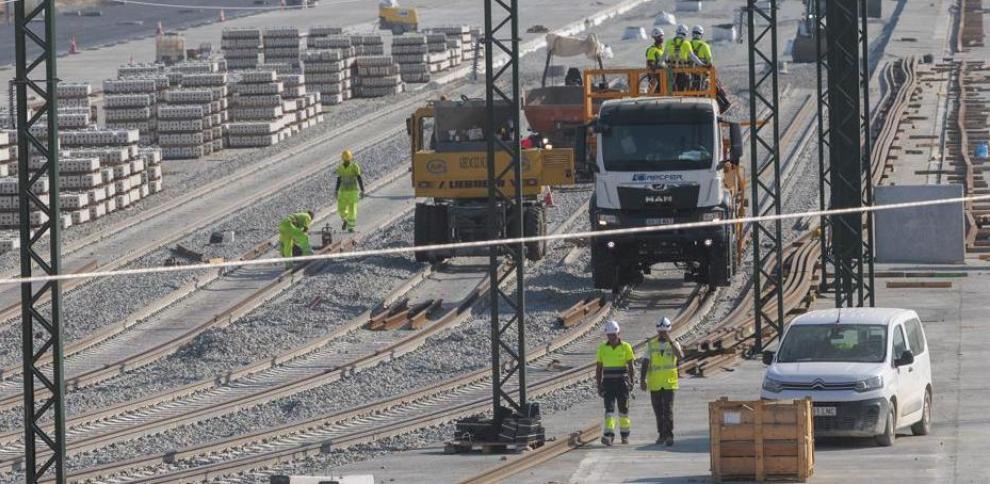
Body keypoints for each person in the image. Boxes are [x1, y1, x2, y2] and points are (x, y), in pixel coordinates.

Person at [640, 316, 685, 446]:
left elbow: (680, 356)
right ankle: (661, 434)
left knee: (668, 410)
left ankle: (669, 435)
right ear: (657, 331)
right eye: (660, 332)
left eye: (664, 332)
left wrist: (670, 341)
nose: (662, 334)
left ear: (669, 331)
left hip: (669, 382)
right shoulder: (651, 345)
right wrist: (642, 380)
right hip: (655, 383)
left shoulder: (674, 344)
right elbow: (645, 363)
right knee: (658, 411)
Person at [596, 320, 636, 446]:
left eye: (614, 335)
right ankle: (609, 436)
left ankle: (625, 435)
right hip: (608, 383)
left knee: (623, 410)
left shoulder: (626, 347)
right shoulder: (602, 348)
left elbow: (631, 366)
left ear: (618, 333)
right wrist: (599, 385)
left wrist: (631, 381)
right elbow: (599, 368)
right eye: (609, 335)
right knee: (609, 410)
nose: (612, 337)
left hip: (622, 383)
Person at [335, 150, 365, 233]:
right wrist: (336, 190)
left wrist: (362, 190)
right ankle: (347, 221)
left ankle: (350, 227)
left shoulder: (354, 166)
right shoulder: (341, 167)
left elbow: (358, 177)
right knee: (342, 209)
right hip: (345, 191)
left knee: (350, 209)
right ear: (350, 158)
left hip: (351, 191)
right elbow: (339, 179)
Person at [665, 24, 703, 91]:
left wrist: (660, 65)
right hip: (682, 70)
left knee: (671, 89)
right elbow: (693, 57)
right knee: (682, 89)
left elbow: (664, 56)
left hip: (671, 70)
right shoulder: (686, 43)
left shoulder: (668, 42)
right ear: (685, 34)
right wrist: (702, 64)